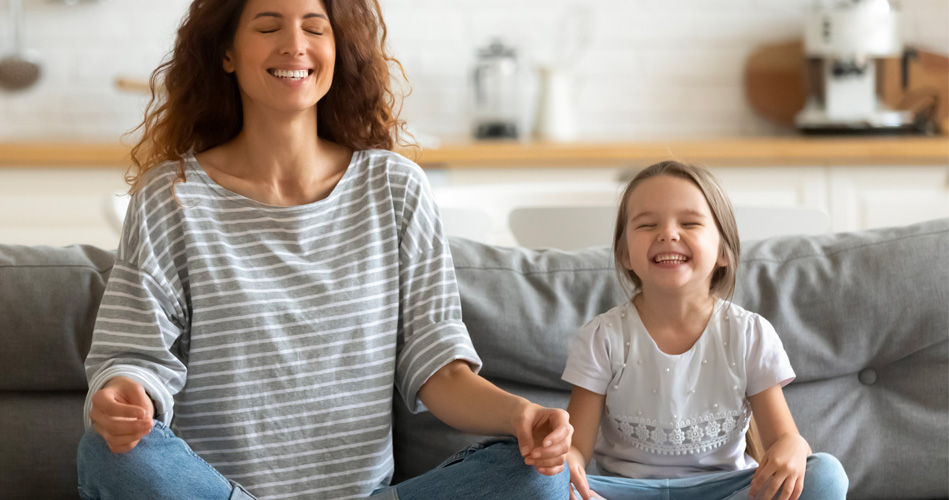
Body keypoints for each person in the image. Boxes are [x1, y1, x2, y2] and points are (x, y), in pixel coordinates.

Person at [76, 0, 571, 499]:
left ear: (338, 51)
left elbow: (438, 368)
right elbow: (135, 355)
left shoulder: (395, 188)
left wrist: (522, 415)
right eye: (269, 27)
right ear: (226, 53)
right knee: (107, 454)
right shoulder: (171, 196)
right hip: (219, 493)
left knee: (537, 473)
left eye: (315, 28)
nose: (295, 44)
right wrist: (123, 392)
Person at [562, 161, 848, 500]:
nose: (668, 233)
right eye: (647, 224)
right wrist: (562, 466)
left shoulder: (749, 333)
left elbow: (783, 441)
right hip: (622, 492)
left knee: (825, 474)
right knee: (540, 480)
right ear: (623, 253)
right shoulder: (601, 337)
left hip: (728, 491)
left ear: (724, 251)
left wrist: (795, 448)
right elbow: (576, 450)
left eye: (689, 223)